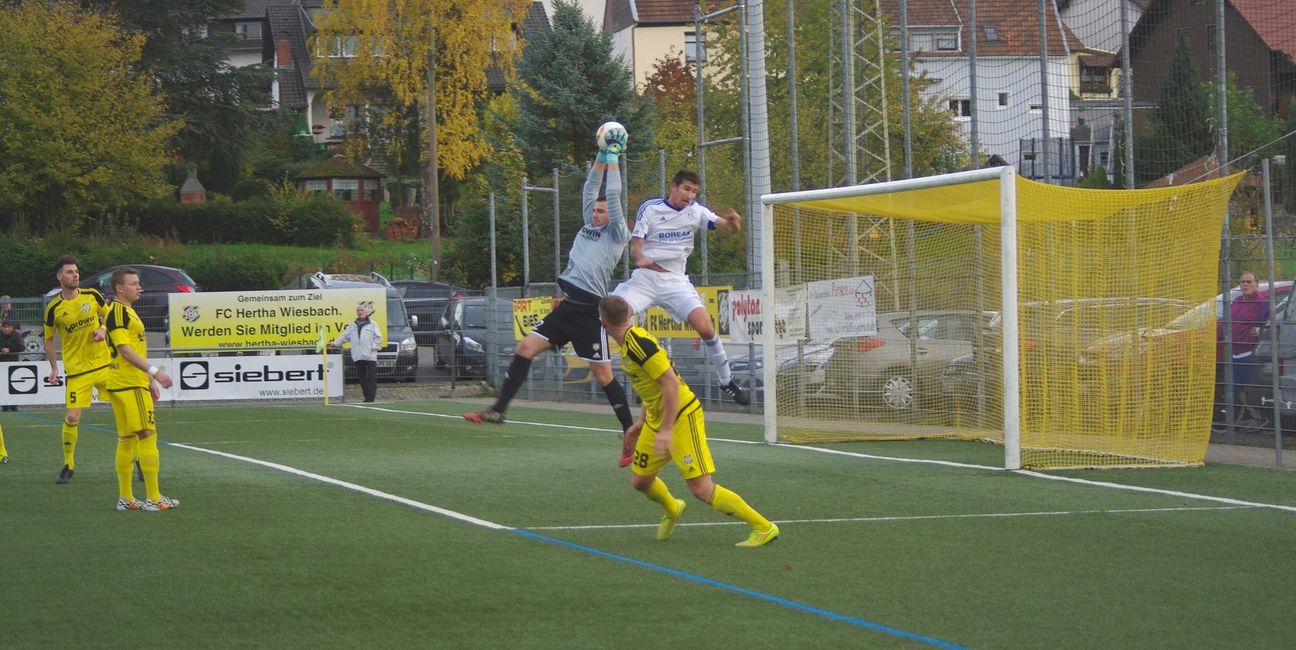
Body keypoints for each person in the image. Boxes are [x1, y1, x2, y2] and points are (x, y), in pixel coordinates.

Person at [465, 122, 639, 467]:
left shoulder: (617, 232)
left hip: (591, 311)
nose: (595, 212)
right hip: (567, 307)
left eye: (600, 211)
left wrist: (616, 159)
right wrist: (601, 156)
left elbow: (614, 198)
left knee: (603, 375)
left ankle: (629, 432)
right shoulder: (589, 227)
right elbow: (591, 189)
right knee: (525, 348)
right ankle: (499, 410)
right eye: (595, 210)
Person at [599, 295, 779, 548]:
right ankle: (673, 509)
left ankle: (764, 527)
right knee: (641, 480)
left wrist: (667, 430)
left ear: (602, 323)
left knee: (701, 489)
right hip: (656, 419)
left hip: (682, 415)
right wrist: (640, 425)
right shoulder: (628, 344)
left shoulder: (639, 344)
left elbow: (671, 383)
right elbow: (652, 389)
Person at [610, 170, 751, 406]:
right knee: (613, 315)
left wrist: (734, 225)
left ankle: (726, 381)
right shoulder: (651, 209)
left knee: (706, 329)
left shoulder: (696, 211)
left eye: (694, 191)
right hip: (646, 279)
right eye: (686, 189)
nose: (690, 195)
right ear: (673, 187)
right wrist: (641, 257)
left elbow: (725, 226)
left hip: (676, 281)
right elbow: (635, 247)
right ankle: (646, 377)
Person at [104, 267, 178, 511]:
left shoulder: (125, 312)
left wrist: (149, 381)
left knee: (126, 439)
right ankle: (154, 498)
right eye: (133, 283)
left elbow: (135, 349)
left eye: (138, 283)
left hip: (127, 382)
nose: (139, 287)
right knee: (148, 435)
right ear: (120, 288)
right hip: (128, 383)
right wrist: (155, 372)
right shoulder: (118, 313)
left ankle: (126, 498)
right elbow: (125, 351)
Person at [43, 256, 112, 484]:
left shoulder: (92, 296)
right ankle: (68, 464)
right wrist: (54, 368)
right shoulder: (53, 308)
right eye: (70, 272)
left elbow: (109, 314)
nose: (75, 275)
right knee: (72, 417)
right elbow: (49, 340)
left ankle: (139, 459)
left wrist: (102, 328)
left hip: (104, 364)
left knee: (124, 410)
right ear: (59, 276)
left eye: (76, 271)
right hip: (77, 372)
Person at [1217, 271, 1271, 427]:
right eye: (1243, 282)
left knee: (1243, 386)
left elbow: (1270, 324)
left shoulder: (1263, 304)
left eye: (1249, 282)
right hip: (1231, 351)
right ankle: (1245, 416)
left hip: (1248, 352)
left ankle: (1258, 416)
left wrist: (1261, 330)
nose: (1245, 285)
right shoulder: (1237, 301)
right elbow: (1226, 322)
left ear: (1256, 284)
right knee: (1234, 386)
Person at [330, 300, 382, 403]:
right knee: (362, 378)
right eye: (358, 310)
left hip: (370, 355)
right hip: (358, 356)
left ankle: (371, 397)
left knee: (371, 377)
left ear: (366, 311)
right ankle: (367, 397)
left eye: (361, 310)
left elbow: (378, 337)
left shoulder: (373, 324)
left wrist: (373, 347)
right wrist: (335, 343)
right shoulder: (352, 325)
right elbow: (344, 336)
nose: (360, 312)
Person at [0, 320, 23, 411]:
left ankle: (14, 406)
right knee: (3, 385)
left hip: (13, 364)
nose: (6, 329)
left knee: (14, 385)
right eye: (4, 327)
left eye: (8, 327)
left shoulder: (17, 335)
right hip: (1, 364)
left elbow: (21, 347)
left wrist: (9, 350)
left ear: (12, 327)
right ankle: (4, 406)